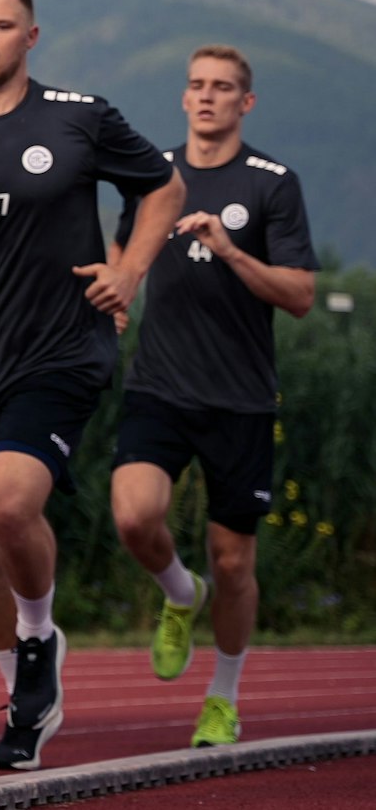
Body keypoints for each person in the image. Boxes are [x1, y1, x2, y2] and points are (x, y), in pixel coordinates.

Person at [0, 0, 185, 771]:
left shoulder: (80, 117)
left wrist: (131, 271)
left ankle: (39, 637)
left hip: (60, 350)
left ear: (30, 38)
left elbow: (164, 187)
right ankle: (26, 698)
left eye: (2, 26)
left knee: (10, 499)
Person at [109, 45, 316, 748]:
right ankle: (179, 591)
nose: (206, 96)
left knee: (233, 562)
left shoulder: (272, 183)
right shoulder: (155, 177)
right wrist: (111, 297)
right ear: (183, 97)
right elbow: (122, 263)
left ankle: (223, 698)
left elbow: (301, 296)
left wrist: (229, 250)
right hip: (159, 386)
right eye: (197, 85)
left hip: (241, 399)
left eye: (222, 87)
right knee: (134, 517)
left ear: (245, 102)